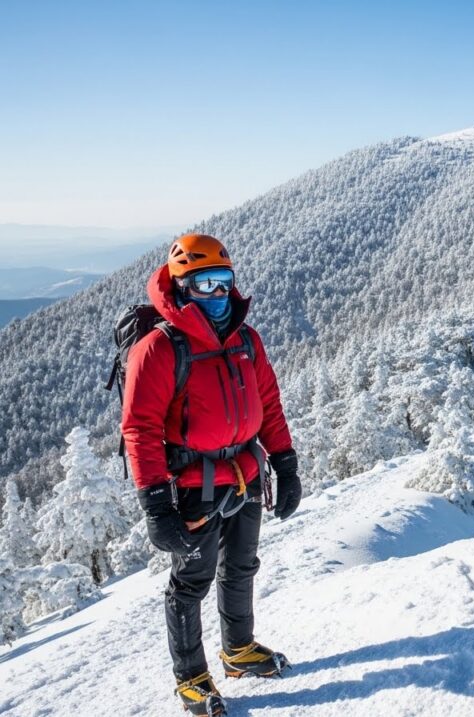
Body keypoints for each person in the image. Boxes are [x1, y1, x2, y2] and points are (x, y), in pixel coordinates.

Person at [122, 233, 302, 716]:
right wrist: (156, 505)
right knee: (191, 582)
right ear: (182, 287)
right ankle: (191, 679)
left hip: (245, 471)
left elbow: (269, 403)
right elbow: (139, 429)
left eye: (225, 282)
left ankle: (238, 652)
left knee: (241, 566)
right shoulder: (159, 349)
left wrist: (285, 463)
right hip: (192, 485)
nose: (219, 294)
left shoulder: (246, 338)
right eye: (206, 283)